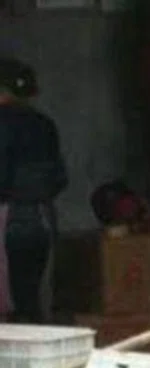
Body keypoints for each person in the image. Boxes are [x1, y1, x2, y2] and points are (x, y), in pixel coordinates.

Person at [0, 57, 67, 324]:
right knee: (34, 301)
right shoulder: (44, 124)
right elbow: (60, 178)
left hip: (5, 219)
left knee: (6, 307)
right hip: (41, 219)